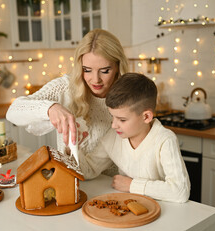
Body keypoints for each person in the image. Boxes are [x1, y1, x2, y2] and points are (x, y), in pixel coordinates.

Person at [6, 29, 129, 163]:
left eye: (105, 71)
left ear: (118, 66)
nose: (95, 79)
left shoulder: (131, 93)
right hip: (72, 179)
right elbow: (13, 111)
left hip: (115, 182)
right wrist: (50, 108)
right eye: (87, 70)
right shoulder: (65, 87)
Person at [77, 73, 190, 203]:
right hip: (129, 207)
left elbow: (180, 191)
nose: (114, 125)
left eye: (122, 120)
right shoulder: (114, 137)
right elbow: (89, 170)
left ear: (146, 117)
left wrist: (132, 185)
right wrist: (74, 147)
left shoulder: (165, 140)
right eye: (112, 116)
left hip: (163, 212)